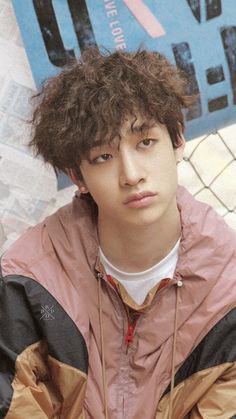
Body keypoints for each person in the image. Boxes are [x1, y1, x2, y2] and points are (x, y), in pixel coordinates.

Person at [0, 48, 236, 419]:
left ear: (177, 140)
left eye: (145, 143)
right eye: (103, 157)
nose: (131, 174)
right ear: (77, 177)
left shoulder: (228, 293)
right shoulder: (28, 280)